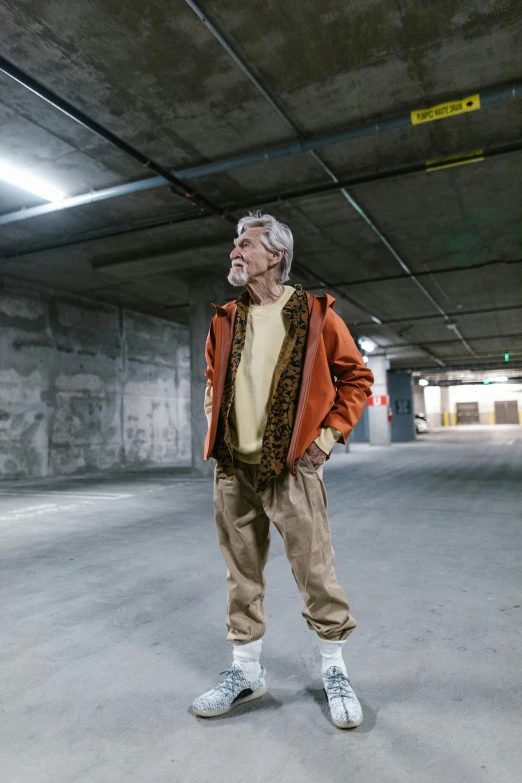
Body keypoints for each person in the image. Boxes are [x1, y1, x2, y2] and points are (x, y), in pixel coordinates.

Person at [192, 212, 374, 728]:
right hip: (234, 470)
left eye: (245, 243)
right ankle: (245, 672)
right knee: (241, 574)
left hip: (292, 469)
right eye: (235, 243)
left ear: (275, 255)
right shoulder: (225, 318)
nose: (235, 250)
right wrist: (217, 426)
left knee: (315, 570)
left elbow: (356, 378)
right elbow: (214, 382)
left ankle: (334, 671)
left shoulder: (316, 314)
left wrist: (326, 439)